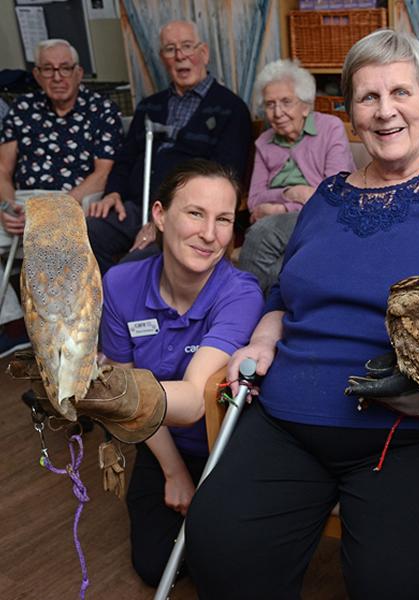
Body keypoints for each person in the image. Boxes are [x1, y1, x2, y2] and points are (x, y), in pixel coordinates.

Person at [184, 29, 419, 600]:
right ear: (348, 114)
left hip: (407, 433)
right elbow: (283, 295)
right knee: (218, 546)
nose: (385, 110)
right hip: (285, 421)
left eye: (401, 93)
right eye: (368, 97)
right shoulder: (326, 196)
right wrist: (265, 337)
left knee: (399, 586)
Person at [98, 159, 264, 586]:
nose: (210, 235)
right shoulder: (119, 284)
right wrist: (173, 473)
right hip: (159, 442)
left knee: (223, 568)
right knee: (155, 566)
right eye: (195, 213)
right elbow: (129, 394)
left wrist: (103, 393)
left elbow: (191, 399)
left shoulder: (239, 293)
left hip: (223, 447)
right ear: (159, 215)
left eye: (223, 220)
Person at [86, 20, 252, 274]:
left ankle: (124, 302)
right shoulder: (149, 106)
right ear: (163, 59)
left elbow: (225, 178)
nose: (180, 56)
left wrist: (165, 218)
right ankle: (110, 304)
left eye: (187, 46)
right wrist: (113, 192)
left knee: (132, 268)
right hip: (134, 206)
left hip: (183, 217)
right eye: (170, 49)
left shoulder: (231, 108)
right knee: (84, 235)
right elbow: (126, 159)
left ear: (203, 53)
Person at [0, 38, 123, 356]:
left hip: (73, 198)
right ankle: (11, 325)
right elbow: (3, 169)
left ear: (79, 72)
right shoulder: (22, 109)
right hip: (23, 199)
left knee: (54, 243)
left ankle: (67, 337)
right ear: (37, 74)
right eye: (48, 69)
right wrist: (6, 206)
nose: (57, 77)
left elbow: (103, 173)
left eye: (65, 68)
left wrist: (51, 211)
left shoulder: (101, 109)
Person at [237, 59, 355, 292]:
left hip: (322, 219)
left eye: (286, 102)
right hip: (282, 219)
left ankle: (244, 309)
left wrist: (280, 208)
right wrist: (293, 194)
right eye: (270, 104)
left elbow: (334, 195)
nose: (277, 112)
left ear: (305, 105)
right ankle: (264, 316)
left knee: (262, 232)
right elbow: (255, 200)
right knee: (279, 267)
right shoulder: (264, 142)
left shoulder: (330, 128)